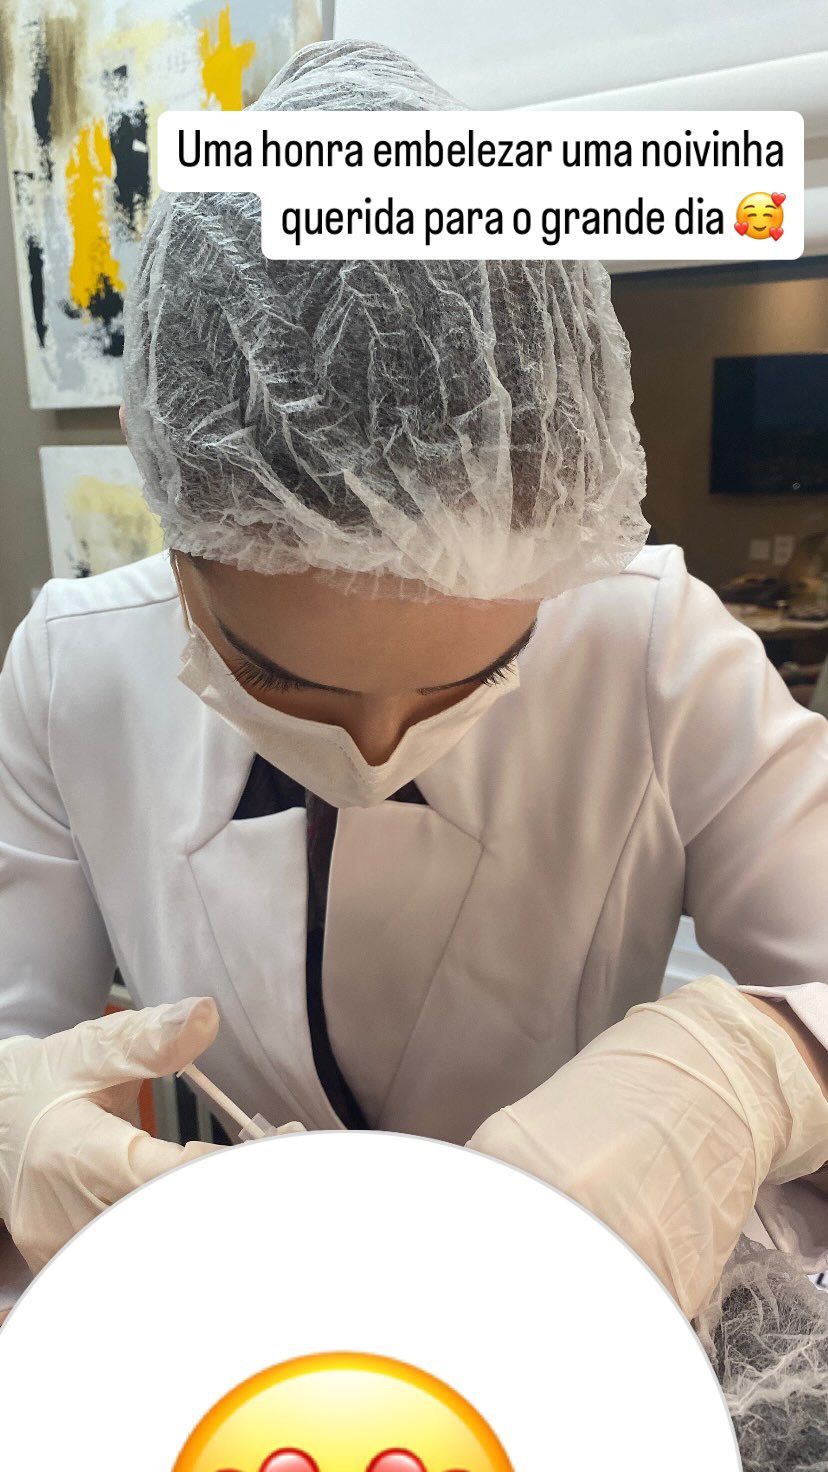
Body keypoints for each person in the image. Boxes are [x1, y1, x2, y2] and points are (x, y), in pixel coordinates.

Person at [0, 40, 827, 1320]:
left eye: (474, 675)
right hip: (254, 1320)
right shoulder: (74, 664)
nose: (378, 751)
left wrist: (760, 1060)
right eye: (280, 678)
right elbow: (18, 1035)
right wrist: (15, 1124)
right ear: (171, 505)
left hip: (574, 1309)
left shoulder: (658, 646)